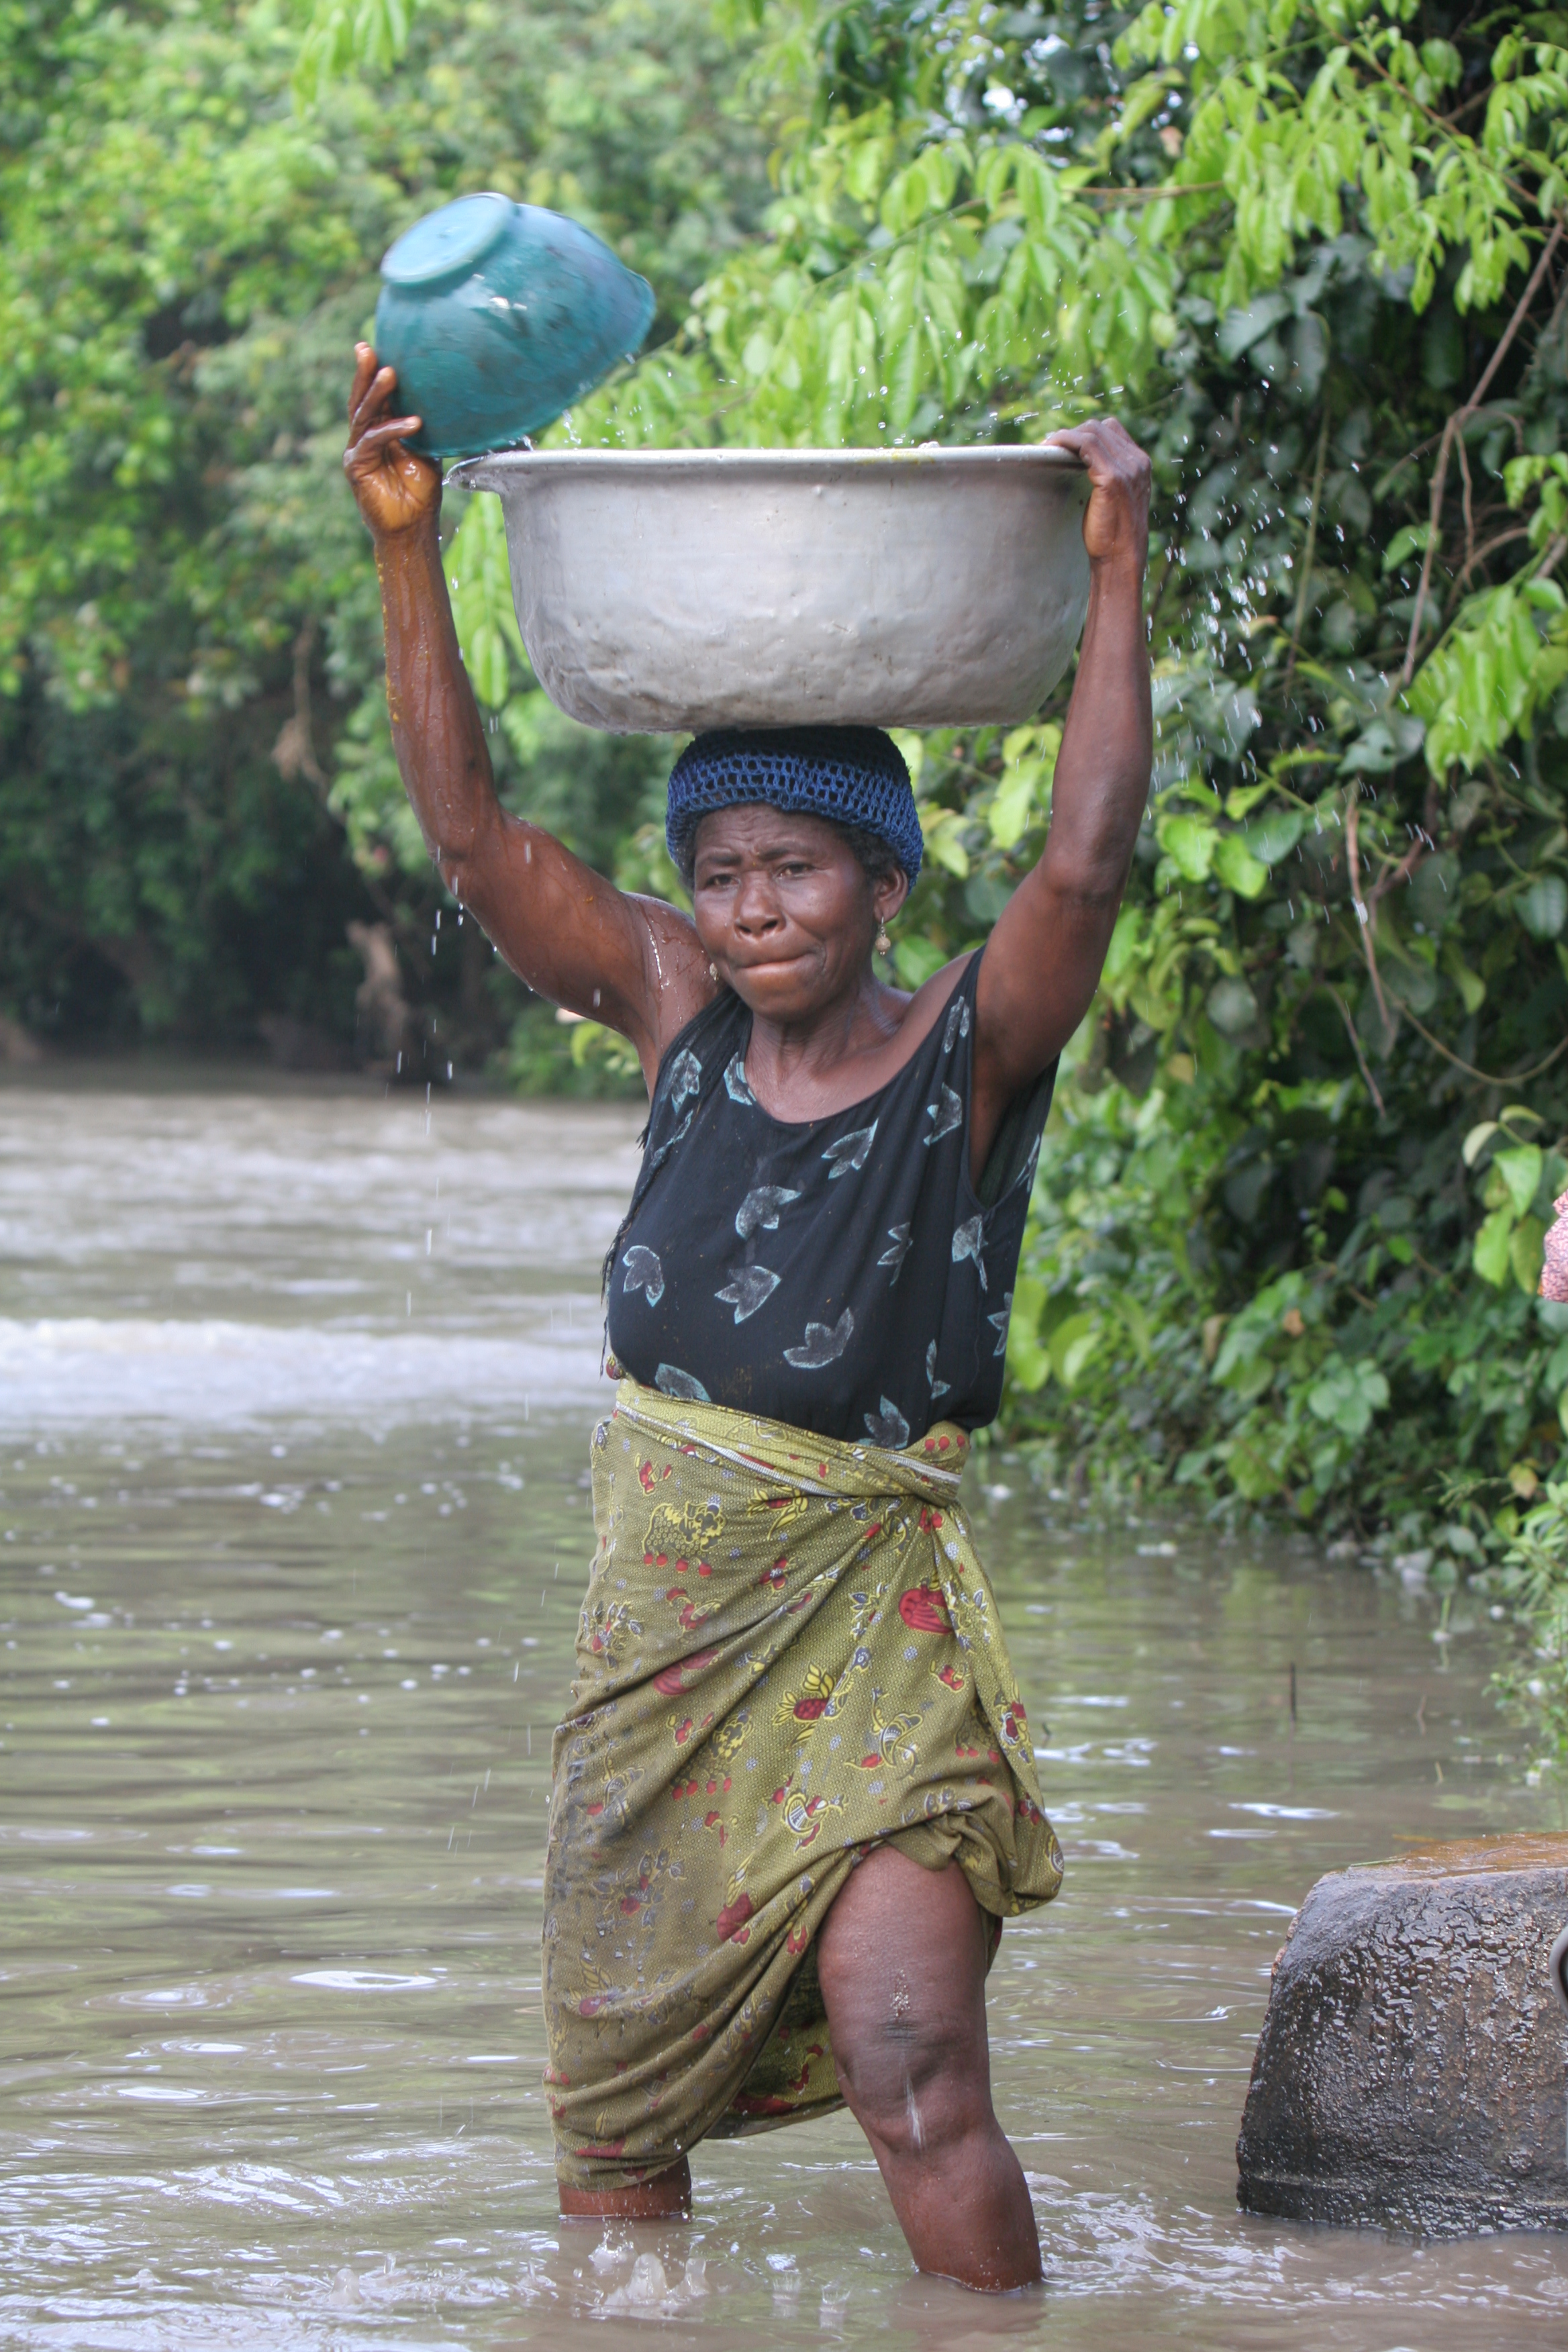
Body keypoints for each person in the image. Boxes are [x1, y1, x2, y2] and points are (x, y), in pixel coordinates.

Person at [343, 341, 1152, 2294]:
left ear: (883, 886)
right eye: (718, 873)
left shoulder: (963, 1061)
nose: (752, 906)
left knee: (911, 2056)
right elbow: (474, 847)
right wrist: (406, 551)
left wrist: (1117, 562)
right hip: (660, 1663)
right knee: (615, 2119)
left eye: (794, 867)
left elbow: (1088, 857)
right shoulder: (679, 1019)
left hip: (871, 1644)